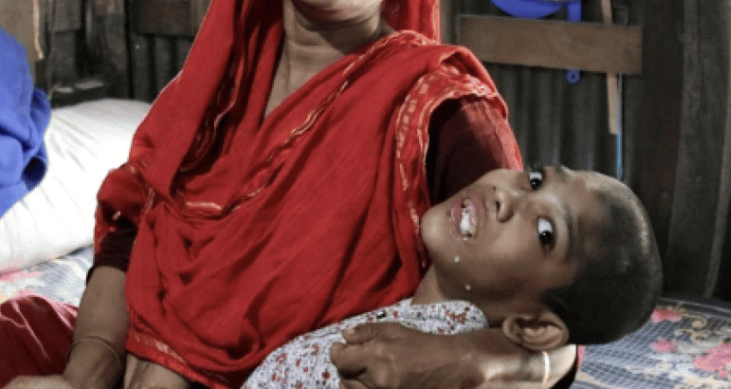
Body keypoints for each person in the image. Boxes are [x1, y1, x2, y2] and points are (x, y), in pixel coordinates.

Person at [0, 0, 583, 389]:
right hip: (147, 358)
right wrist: (88, 367)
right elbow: (130, 227)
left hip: (300, 377)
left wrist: (476, 357)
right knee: (19, 329)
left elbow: (552, 309)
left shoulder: (438, 107)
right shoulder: (208, 92)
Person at [242, 165, 663, 389]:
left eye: (546, 233)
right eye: (534, 180)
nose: (507, 196)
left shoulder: (414, 370)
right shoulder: (419, 324)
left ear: (534, 325)